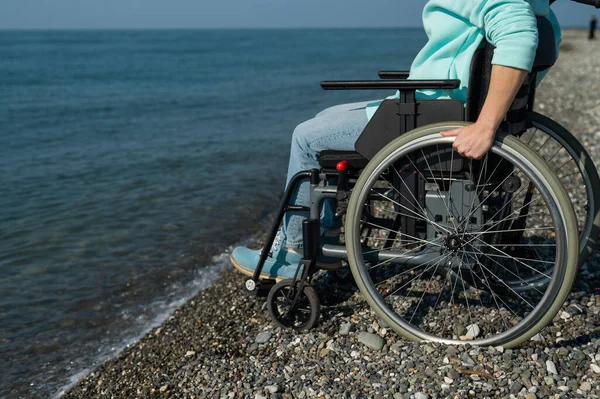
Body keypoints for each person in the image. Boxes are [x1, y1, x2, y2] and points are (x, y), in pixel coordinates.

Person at [230, 0, 562, 280]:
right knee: (325, 119)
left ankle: (295, 252)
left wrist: (486, 125)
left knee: (305, 136)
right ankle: (323, 234)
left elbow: (518, 35)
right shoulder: (542, 10)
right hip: (440, 105)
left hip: (431, 116)